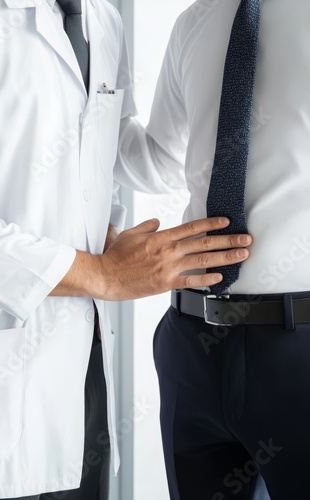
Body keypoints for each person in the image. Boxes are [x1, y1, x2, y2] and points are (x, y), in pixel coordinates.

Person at [0, 1, 252, 499]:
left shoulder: (102, 18)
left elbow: (134, 156)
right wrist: (103, 274)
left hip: (83, 354)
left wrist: (205, 52)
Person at [115, 0, 310, 499]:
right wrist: (97, 86)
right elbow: (155, 161)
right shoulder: (197, 21)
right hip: (192, 345)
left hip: (299, 345)